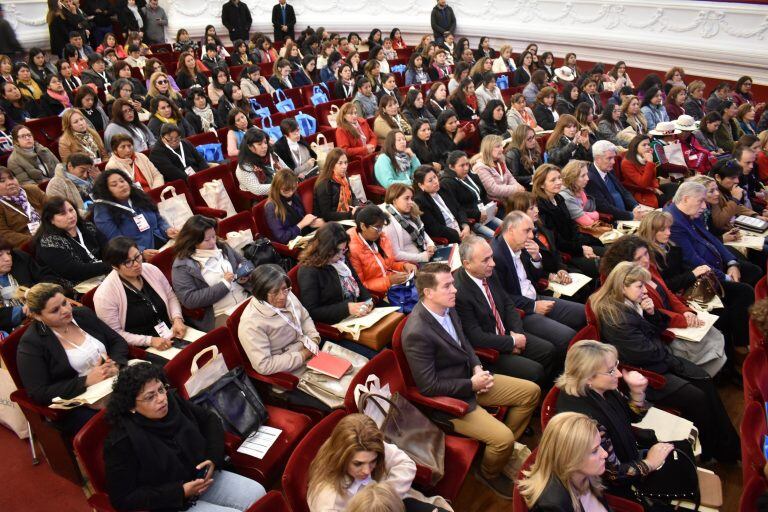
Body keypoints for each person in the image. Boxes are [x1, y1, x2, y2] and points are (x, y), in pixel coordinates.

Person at [402, 262, 540, 499]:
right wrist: (472, 384)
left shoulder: (448, 307)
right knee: (503, 438)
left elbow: (465, 343)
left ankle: (501, 453)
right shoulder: (417, 332)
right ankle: (489, 472)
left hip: (471, 379)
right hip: (450, 401)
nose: (454, 290)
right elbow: (428, 386)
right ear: (428, 292)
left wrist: (476, 366)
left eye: (453, 284)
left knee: (531, 392)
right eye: (447, 286)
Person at [589, 261, 740, 463]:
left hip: (658, 362)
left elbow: (657, 332)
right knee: (698, 397)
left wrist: (651, 314)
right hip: (646, 373)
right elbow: (642, 353)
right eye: (640, 286)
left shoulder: (630, 304)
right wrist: (661, 345)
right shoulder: (615, 317)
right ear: (622, 287)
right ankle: (716, 450)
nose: (645, 290)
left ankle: (727, 448)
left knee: (705, 381)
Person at [104, 363, 266, 511]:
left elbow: (210, 420)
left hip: (203, 478)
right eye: (150, 396)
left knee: (258, 492)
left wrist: (212, 459)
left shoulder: (173, 401)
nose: (161, 399)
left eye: (161, 389)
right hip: (170, 502)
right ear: (131, 406)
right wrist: (180, 492)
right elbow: (123, 498)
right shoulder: (121, 442)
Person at [555, 340, 681, 505]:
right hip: (610, 487)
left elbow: (633, 416)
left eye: (616, 365)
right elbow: (613, 473)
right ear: (588, 377)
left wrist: (637, 392)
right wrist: (650, 462)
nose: (620, 374)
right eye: (611, 370)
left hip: (629, 458)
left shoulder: (602, 389)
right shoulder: (586, 421)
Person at [18, 282, 128, 434]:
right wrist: (87, 380)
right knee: (124, 419)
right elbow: (39, 392)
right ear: (38, 316)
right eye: (55, 310)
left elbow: (117, 341)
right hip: (78, 401)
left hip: (113, 378)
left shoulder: (82, 314)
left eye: (65, 303)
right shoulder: (31, 344)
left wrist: (115, 364)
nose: (65, 310)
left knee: (152, 387)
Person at [454, 235, 554, 386]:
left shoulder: (488, 272)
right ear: (467, 264)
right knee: (536, 371)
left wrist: (517, 333)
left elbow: (508, 304)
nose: (493, 264)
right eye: (485, 260)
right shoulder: (459, 292)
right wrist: (511, 342)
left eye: (491, 257)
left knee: (549, 350)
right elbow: (475, 336)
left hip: (509, 333)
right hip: (490, 350)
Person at [307, 413, 452, 511]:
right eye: (358, 464)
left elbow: (405, 465)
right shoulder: (327, 501)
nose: (367, 471)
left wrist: (385, 497)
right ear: (341, 458)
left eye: (373, 461)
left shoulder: (366, 445)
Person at [492, 211, 587, 357]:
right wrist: (534, 306)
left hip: (536, 297)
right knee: (568, 336)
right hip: (521, 311)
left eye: (532, 230)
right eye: (527, 231)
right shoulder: (496, 256)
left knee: (584, 312)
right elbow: (503, 297)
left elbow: (534, 279)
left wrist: (536, 258)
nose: (531, 236)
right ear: (511, 230)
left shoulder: (521, 245)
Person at [237, 263, 329, 411]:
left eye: (285, 289)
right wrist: (303, 355)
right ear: (261, 293)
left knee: (352, 382)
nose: (283, 296)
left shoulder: (287, 294)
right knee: (338, 402)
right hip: (290, 374)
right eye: (275, 293)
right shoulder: (251, 323)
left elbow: (304, 317)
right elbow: (264, 365)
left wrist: (313, 338)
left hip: (312, 354)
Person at [94, 236, 186, 350]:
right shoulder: (104, 295)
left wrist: (177, 319)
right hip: (141, 346)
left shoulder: (150, 269)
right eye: (128, 262)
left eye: (137, 256)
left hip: (171, 330)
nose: (137, 264)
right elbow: (115, 333)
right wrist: (150, 341)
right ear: (115, 266)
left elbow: (170, 296)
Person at [172, 215, 252, 331]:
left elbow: (244, 262)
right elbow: (189, 299)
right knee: (250, 327)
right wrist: (224, 285)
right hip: (220, 313)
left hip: (245, 298)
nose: (213, 242)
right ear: (193, 241)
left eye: (213, 236)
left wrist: (243, 273)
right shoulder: (181, 266)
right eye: (207, 240)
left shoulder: (221, 245)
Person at [518, 412, 610, 512]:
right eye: (594, 451)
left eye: (600, 445)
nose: (605, 454)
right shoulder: (552, 506)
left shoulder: (586, 474)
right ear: (570, 459)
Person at [532, 164, 603, 276]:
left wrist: (582, 245)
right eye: (553, 180)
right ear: (541, 184)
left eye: (559, 178)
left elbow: (571, 225)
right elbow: (556, 241)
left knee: (609, 252)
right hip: (563, 254)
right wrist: (581, 249)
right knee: (602, 264)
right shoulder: (540, 208)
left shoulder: (558, 198)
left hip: (574, 244)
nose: (559, 182)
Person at [297, 222, 373, 324]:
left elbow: (358, 283)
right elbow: (311, 311)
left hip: (356, 314)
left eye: (343, 250)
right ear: (325, 249)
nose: (341, 255)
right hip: (335, 323)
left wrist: (368, 301)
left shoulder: (341, 259)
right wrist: (346, 309)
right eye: (337, 251)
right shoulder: (309, 271)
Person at [92, 169, 175, 260]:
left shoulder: (138, 196)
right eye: (114, 185)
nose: (121, 185)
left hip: (165, 242)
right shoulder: (102, 212)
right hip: (138, 257)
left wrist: (167, 230)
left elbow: (159, 219)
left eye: (122, 181)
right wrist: (140, 252)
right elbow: (118, 243)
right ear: (106, 191)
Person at [33, 197, 109, 290]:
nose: (71, 216)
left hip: (102, 274)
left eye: (71, 210)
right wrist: (109, 265)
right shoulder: (49, 242)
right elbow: (75, 271)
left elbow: (107, 247)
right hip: (75, 286)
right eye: (63, 214)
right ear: (51, 220)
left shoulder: (87, 226)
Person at [347, 205, 416, 295]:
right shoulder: (352, 250)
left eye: (382, 227)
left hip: (391, 289)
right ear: (363, 226)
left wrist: (404, 266)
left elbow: (388, 265)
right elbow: (361, 285)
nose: (380, 232)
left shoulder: (381, 238)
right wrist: (389, 281)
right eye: (377, 228)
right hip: (374, 295)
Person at [440, 150, 501, 238]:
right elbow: (457, 209)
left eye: (467, 164)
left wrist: (491, 206)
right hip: (473, 221)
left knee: (507, 228)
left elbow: (482, 194)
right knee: (495, 237)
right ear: (451, 167)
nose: (466, 168)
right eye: (462, 165)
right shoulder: (447, 183)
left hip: (486, 215)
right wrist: (477, 214)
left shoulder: (471, 175)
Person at [585, 140, 647, 221]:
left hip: (629, 212)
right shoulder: (590, 179)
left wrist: (635, 206)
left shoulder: (609, 170)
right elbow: (604, 207)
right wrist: (631, 216)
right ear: (597, 159)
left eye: (613, 157)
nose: (613, 162)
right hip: (616, 220)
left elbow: (624, 191)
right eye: (609, 158)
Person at [379, 183, 436, 264]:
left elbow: (422, 232)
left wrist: (430, 244)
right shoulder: (388, 221)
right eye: (406, 198)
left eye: (411, 198)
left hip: (425, 255)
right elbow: (395, 254)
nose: (411, 202)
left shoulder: (411, 211)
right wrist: (422, 257)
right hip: (411, 264)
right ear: (394, 200)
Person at [413, 165, 469, 244]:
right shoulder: (420, 201)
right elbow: (435, 228)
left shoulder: (443, 188)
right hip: (450, 238)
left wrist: (465, 225)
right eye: (430, 180)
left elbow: (459, 208)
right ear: (421, 185)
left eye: (435, 177)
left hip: (463, 230)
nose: (435, 182)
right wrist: (458, 234)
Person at [265, 169, 323, 244]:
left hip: (304, 236)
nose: (290, 193)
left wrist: (312, 222)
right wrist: (301, 224)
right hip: (292, 243)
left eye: (294, 188)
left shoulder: (294, 195)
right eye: (286, 190)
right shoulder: (271, 207)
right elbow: (283, 238)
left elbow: (303, 217)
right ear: (277, 188)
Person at [621, 134, 677, 208]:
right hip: (641, 193)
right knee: (670, 200)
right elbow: (643, 183)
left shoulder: (644, 157)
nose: (647, 147)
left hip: (651, 188)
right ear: (635, 146)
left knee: (675, 187)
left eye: (648, 144)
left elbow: (652, 177)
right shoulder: (627, 163)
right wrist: (650, 163)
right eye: (644, 145)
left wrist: (654, 188)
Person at [0, 166, 45, 247]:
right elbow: (4, 234)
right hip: (28, 245)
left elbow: (53, 208)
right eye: (2, 181)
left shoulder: (32, 190)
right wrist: (34, 240)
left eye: (12, 178)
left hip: (50, 231)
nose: (10, 182)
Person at [473, 135, 524, 203]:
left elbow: (510, 178)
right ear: (488, 148)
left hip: (507, 199)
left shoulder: (500, 161)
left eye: (501, 146)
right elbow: (493, 190)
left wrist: (519, 187)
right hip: (495, 204)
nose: (502, 149)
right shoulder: (480, 167)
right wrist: (516, 189)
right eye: (498, 146)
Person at [47, 153, 99, 217]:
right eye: (82, 171)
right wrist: (88, 214)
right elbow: (60, 209)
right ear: (70, 166)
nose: (85, 175)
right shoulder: (56, 184)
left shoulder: (91, 178)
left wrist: (99, 179)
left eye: (87, 171)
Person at [558, 159, 603, 229]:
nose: (587, 178)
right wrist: (593, 214)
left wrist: (586, 214)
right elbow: (588, 223)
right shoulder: (566, 197)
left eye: (587, 174)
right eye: (583, 176)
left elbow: (591, 212)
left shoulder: (580, 191)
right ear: (572, 178)